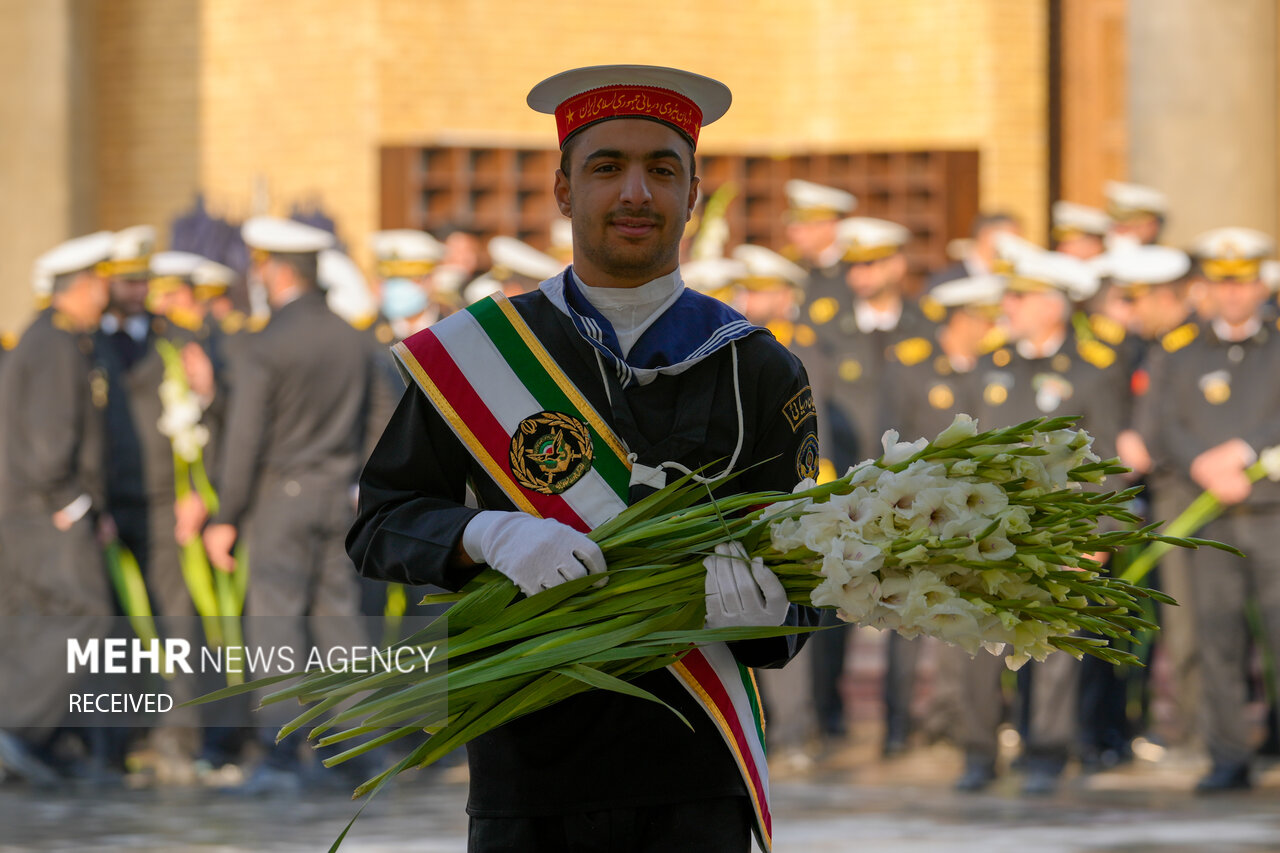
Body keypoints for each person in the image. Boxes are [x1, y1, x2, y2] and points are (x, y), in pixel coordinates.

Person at [348, 64, 817, 853]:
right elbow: (381, 525)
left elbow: (802, 591)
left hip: (697, 773)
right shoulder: (477, 353)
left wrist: (767, 614)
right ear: (563, 190)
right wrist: (490, 535)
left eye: (662, 170)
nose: (636, 192)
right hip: (528, 768)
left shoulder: (761, 369)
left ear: (693, 194)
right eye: (607, 167)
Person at [201, 216, 394, 794]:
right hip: (340, 497)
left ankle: (281, 756)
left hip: (279, 500)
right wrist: (361, 484)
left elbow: (245, 439)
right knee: (341, 625)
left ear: (275, 271)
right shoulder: (354, 339)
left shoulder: (264, 345)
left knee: (276, 626)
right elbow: (382, 422)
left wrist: (225, 517)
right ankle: (360, 749)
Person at [961, 247, 1129, 794]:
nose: (1008, 305)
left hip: (1063, 526)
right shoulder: (993, 364)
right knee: (977, 643)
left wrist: (1100, 536)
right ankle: (979, 752)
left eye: (1021, 296)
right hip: (988, 529)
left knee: (1053, 644)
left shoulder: (1094, 368)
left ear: (1054, 305)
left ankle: (1047, 753)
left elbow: (1110, 461)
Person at [1147, 226, 1280, 791]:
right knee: (1215, 639)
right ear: (1207, 288)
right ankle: (1228, 756)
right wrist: (1203, 462)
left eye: (1243, 282)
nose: (1233, 294)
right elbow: (1158, 422)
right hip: (1209, 517)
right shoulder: (1176, 350)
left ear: (1260, 284)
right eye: (1222, 283)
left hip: (1273, 514)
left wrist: (1243, 450)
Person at [0, 231, 116, 784]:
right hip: (47, 512)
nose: (105, 293)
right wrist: (73, 504)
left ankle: (36, 740)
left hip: (30, 511)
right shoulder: (53, 345)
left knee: (35, 622)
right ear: (78, 287)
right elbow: (50, 444)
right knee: (83, 614)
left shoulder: (51, 337)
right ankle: (17, 729)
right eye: (99, 283)